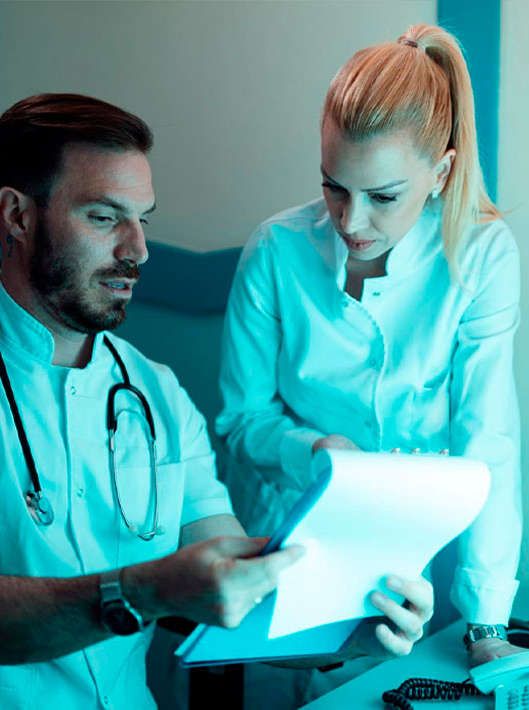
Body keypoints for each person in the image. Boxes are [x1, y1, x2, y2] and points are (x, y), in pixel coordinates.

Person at [0, 94, 432, 709]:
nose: (138, 250)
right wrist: (141, 591)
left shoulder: (158, 395)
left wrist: (356, 632)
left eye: (143, 220)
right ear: (17, 215)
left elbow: (247, 594)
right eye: (105, 217)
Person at [216, 22, 524, 687]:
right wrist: (312, 451)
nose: (350, 222)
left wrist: (487, 625)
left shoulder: (482, 257)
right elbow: (241, 422)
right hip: (284, 546)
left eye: (383, 197)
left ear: (441, 173)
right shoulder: (275, 251)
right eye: (334, 187)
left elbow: (488, 441)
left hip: (416, 564)